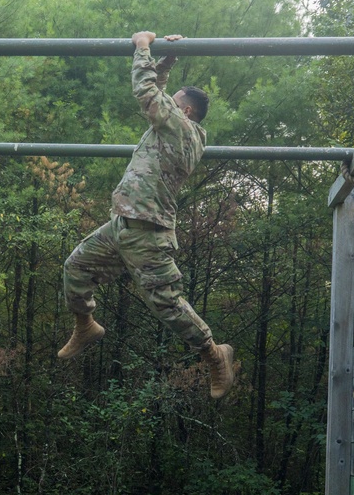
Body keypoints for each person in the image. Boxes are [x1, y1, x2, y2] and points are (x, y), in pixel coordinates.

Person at [58, 30, 236, 399]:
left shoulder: (182, 131)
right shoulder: (175, 125)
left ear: (185, 111)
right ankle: (85, 324)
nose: (167, 102)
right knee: (75, 268)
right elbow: (159, 92)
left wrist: (142, 47)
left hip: (147, 231)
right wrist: (166, 59)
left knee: (168, 305)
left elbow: (147, 92)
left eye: (173, 102)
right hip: (121, 224)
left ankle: (215, 355)